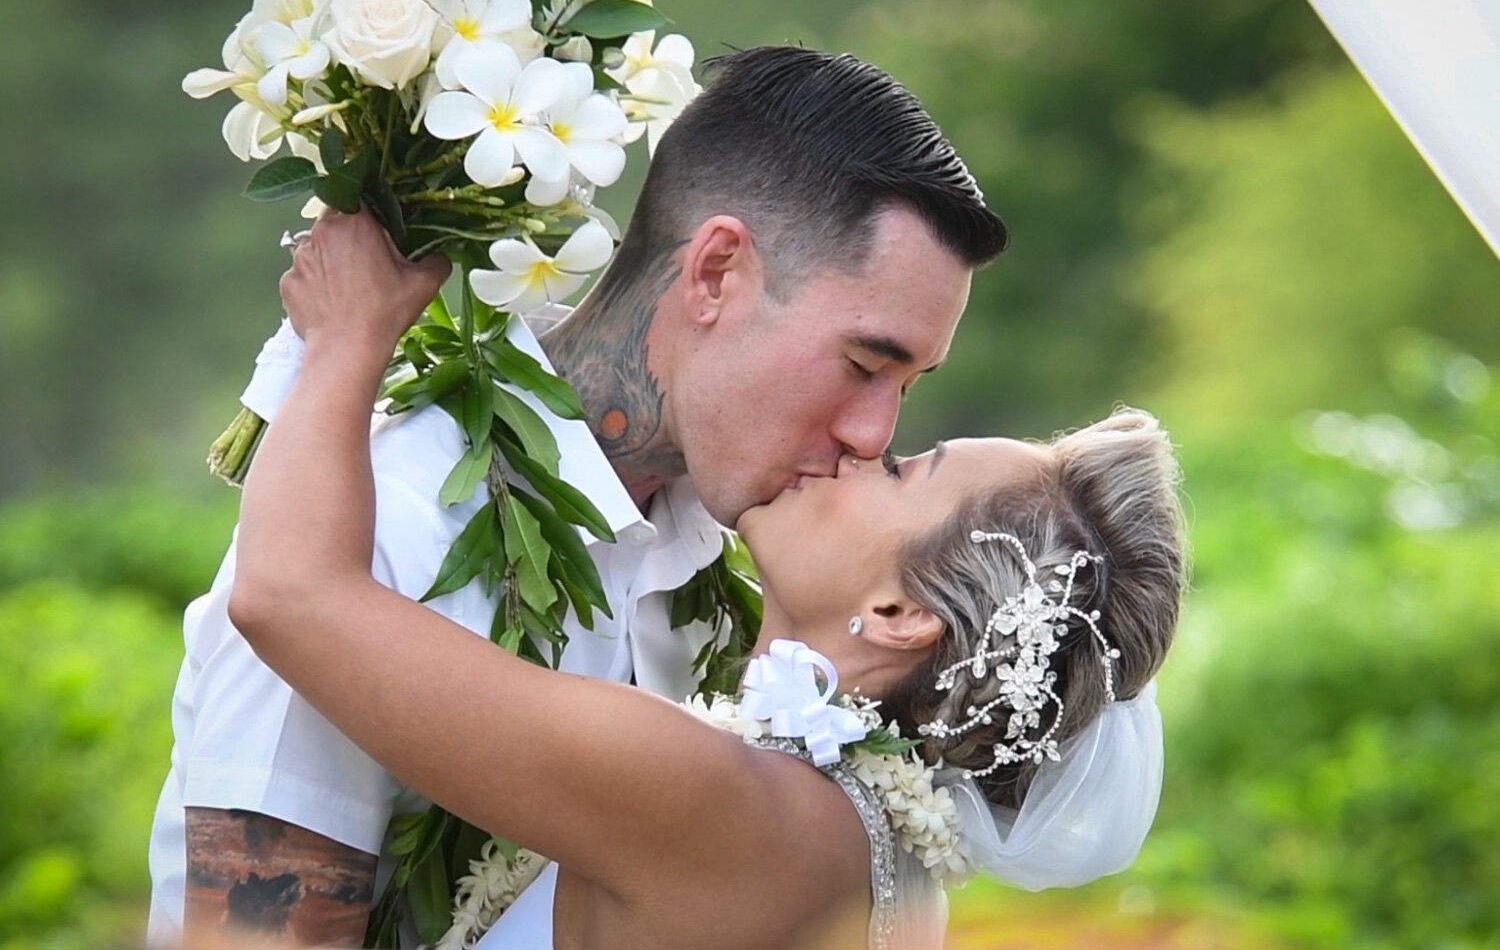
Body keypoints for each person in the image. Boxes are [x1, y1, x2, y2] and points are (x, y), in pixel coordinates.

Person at [147, 46, 1009, 946]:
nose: (874, 435)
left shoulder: (749, 589)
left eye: (905, 387)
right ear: (717, 272)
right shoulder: (390, 520)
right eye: (864, 364)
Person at [224, 220, 1185, 950]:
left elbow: (292, 596)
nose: (865, 445)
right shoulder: (887, 867)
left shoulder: (724, 802)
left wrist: (344, 338)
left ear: (900, 614)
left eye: (902, 472)